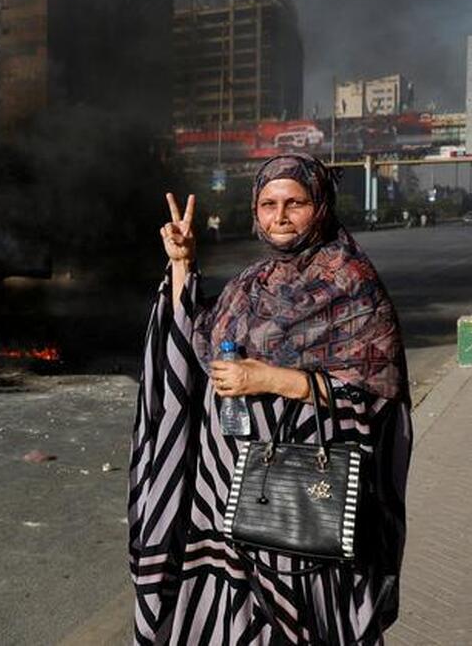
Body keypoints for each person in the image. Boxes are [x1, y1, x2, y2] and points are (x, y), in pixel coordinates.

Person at [129, 153, 412, 644]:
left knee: (306, 618)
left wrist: (270, 379)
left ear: (320, 206)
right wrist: (182, 263)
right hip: (225, 489)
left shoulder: (352, 284)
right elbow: (193, 340)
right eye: (268, 204)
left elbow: (373, 393)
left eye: (295, 203)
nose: (280, 216)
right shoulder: (250, 282)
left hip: (300, 501)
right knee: (231, 618)